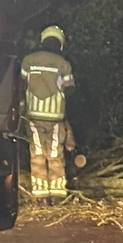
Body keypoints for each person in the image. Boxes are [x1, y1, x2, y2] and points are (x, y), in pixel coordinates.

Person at [20, 25, 75, 204]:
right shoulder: (62, 63)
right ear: (59, 43)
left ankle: (41, 195)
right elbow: (71, 90)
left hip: (33, 116)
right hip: (55, 117)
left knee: (36, 153)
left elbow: (21, 85)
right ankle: (57, 194)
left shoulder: (28, 60)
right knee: (54, 153)